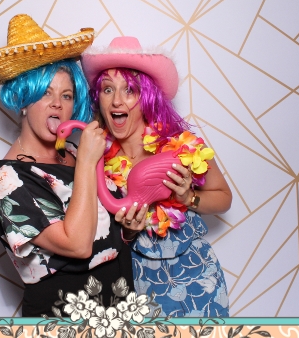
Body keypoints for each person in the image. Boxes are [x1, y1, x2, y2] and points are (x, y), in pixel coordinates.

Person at [0, 13, 146, 318]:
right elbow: (78, 246)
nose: (57, 104)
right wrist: (87, 162)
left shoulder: (74, 151)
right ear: (23, 99)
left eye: (66, 95)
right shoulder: (7, 181)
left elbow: (105, 235)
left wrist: (127, 231)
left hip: (119, 309)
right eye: (45, 93)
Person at [83, 34, 231, 319]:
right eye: (107, 89)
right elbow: (89, 233)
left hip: (195, 277)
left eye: (130, 90)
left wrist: (188, 198)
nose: (117, 100)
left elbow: (224, 198)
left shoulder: (181, 147)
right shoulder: (93, 158)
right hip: (132, 281)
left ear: (147, 96)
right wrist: (127, 232)